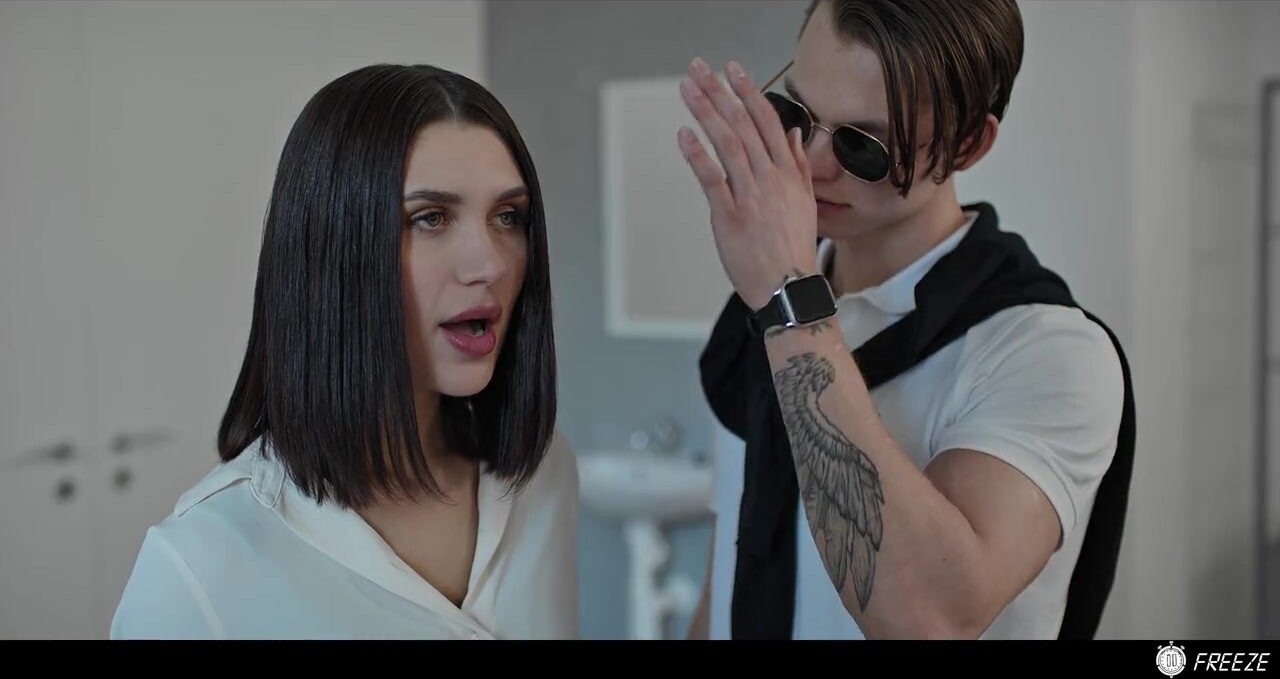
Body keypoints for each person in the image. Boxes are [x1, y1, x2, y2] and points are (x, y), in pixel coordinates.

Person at [679, 0, 1134, 640]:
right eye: (795, 115)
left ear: (968, 143)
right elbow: (732, 563)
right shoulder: (761, 304)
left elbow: (929, 620)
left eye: (862, 146)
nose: (811, 162)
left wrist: (791, 305)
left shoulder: (1046, 352)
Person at [109, 63, 578, 640]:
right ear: (331, 248)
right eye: (430, 218)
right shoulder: (196, 569)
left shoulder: (543, 473)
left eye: (508, 217)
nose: (491, 264)